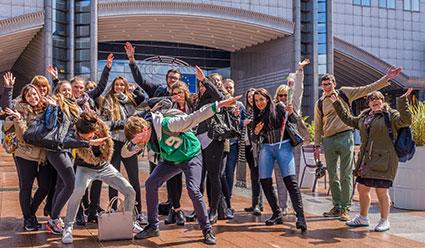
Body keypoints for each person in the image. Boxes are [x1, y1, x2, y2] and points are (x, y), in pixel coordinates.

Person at [121, 93, 241, 245]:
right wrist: (132, 144)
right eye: (136, 141)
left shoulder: (168, 124)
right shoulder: (143, 136)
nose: (139, 143)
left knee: (193, 190)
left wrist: (219, 105)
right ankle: (153, 226)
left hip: (191, 156)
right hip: (171, 160)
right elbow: (124, 153)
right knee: (151, 184)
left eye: (139, 139)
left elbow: (194, 117)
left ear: (145, 129)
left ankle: (207, 229)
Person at [314, 67, 402, 221]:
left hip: (345, 136)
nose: (326, 87)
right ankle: (336, 206)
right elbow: (318, 125)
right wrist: (316, 145)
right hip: (328, 140)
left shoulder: (345, 93)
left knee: (346, 173)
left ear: (334, 84)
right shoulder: (320, 103)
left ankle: (345, 208)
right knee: (333, 174)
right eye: (324, 84)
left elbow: (368, 88)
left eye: (329, 83)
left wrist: (386, 78)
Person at [330, 89, 412, 232]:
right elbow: (348, 119)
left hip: (385, 160)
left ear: (383, 100)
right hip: (367, 160)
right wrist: (336, 102)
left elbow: (405, 120)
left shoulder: (391, 115)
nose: (375, 101)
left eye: (378, 98)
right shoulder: (365, 116)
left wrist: (403, 100)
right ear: (368, 103)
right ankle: (363, 217)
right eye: (372, 99)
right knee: (362, 188)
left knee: (381, 190)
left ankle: (384, 220)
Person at [61, 111, 137, 244]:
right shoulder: (73, 132)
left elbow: (119, 123)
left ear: (95, 130)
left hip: (104, 167)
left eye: (89, 136)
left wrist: (143, 118)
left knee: (130, 191)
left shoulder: (102, 126)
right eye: (83, 137)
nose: (86, 138)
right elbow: (65, 142)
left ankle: (126, 221)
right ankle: (68, 227)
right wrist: (88, 143)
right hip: (84, 169)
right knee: (77, 192)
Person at [252, 88, 307, 232]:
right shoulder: (257, 114)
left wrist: (291, 112)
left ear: (268, 98)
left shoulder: (279, 107)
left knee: (291, 181)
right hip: (266, 147)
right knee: (264, 181)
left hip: (283, 146)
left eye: (262, 99)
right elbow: (254, 137)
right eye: (256, 100)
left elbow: (294, 121)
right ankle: (277, 213)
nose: (259, 103)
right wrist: (256, 132)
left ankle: (300, 217)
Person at [3, 82, 55, 231]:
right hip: (25, 155)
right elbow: (22, 136)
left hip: (43, 155)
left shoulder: (46, 108)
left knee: (45, 186)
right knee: (26, 188)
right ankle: (28, 220)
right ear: (24, 98)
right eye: (28, 95)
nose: (32, 97)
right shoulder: (20, 110)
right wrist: (19, 119)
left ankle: (30, 213)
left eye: (34, 94)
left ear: (39, 95)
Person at [100, 63, 146, 224]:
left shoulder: (131, 100)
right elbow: (105, 123)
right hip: (114, 143)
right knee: (114, 178)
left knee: (134, 178)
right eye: (116, 84)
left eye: (122, 84)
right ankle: (113, 209)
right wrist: (122, 123)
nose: (119, 87)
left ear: (126, 86)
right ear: (113, 87)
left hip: (129, 143)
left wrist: (133, 90)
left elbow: (143, 99)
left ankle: (138, 211)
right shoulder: (107, 100)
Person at [273, 59, 310, 214]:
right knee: (280, 177)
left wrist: (299, 71)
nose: (282, 97)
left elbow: (298, 90)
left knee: (292, 177)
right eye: (280, 95)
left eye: (284, 95)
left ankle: (297, 207)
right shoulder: (273, 109)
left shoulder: (292, 106)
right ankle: (282, 206)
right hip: (278, 145)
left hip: (293, 144)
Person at [242, 88, 263, 215]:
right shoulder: (245, 111)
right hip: (247, 146)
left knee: (257, 176)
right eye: (249, 96)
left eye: (253, 96)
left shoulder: (259, 112)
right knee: (254, 176)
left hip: (257, 147)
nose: (251, 98)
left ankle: (257, 204)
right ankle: (255, 203)